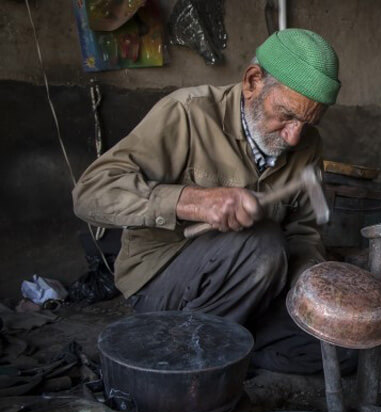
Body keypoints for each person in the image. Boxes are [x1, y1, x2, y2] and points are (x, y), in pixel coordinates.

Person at [73, 29, 355, 374]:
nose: (293, 135)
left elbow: (303, 233)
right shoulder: (187, 113)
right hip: (165, 281)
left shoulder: (306, 144)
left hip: (255, 287)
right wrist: (190, 200)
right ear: (253, 81)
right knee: (261, 244)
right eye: (286, 114)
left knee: (338, 347)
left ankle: (224, 348)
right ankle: (187, 360)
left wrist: (311, 283)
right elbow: (90, 193)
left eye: (307, 121)